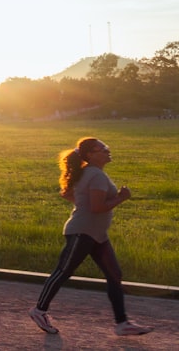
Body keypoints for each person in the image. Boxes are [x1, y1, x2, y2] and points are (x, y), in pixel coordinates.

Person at [29, 137, 153, 336]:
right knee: (63, 271)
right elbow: (97, 208)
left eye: (106, 147)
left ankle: (122, 323)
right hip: (83, 231)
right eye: (102, 149)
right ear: (90, 155)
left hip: (96, 234)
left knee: (115, 274)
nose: (107, 150)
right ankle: (39, 311)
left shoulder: (88, 173)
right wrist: (121, 198)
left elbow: (68, 194)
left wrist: (81, 203)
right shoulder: (95, 175)